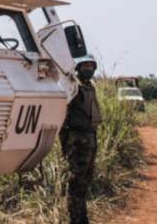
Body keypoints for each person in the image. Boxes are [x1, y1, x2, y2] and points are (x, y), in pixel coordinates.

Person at [59, 54, 102, 224]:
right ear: (78, 68)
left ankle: (82, 218)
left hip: (90, 138)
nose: (89, 69)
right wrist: (65, 144)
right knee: (76, 183)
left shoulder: (90, 87)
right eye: (85, 66)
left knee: (85, 182)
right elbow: (63, 117)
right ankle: (75, 220)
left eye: (91, 66)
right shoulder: (72, 87)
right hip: (77, 141)